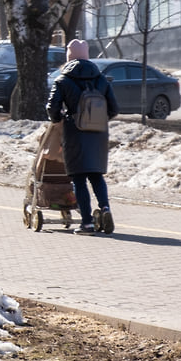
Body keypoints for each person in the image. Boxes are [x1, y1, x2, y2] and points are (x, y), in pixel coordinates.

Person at [47, 38, 119, 235]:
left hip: (74, 133)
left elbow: (52, 107)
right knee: (96, 175)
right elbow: (114, 109)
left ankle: (86, 222)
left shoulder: (63, 80)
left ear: (69, 56)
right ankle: (105, 208)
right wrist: (97, 120)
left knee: (79, 179)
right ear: (87, 56)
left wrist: (60, 118)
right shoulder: (102, 79)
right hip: (98, 134)